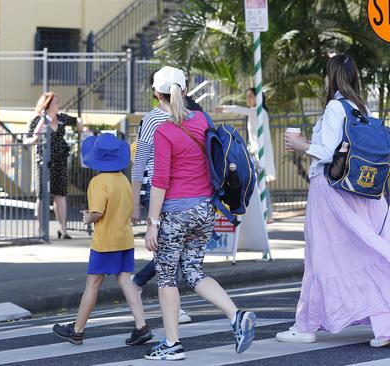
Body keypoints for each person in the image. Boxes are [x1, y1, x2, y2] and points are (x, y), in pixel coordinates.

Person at [280, 54, 390, 347]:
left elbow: (329, 152)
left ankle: (305, 325)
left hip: (329, 192)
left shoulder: (334, 107)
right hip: (359, 192)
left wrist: (302, 144)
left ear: (332, 77)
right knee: (367, 255)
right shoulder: (358, 107)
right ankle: (387, 321)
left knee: (320, 258)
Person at [143, 66, 256, 361]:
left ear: (157, 94)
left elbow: (160, 181)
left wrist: (152, 224)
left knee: (167, 278)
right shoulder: (203, 120)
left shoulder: (163, 131)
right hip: (205, 210)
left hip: (175, 213)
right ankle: (235, 315)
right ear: (185, 90)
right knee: (193, 271)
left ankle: (171, 344)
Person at [52, 133, 152, 346]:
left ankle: (77, 331)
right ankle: (142, 326)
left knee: (92, 285)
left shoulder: (98, 182)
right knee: (126, 280)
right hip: (125, 239)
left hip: (106, 242)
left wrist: (87, 217)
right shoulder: (123, 180)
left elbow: (97, 212)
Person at [131, 72, 203, 324]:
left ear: (155, 92)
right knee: (172, 251)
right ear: (184, 90)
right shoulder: (157, 120)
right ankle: (142, 287)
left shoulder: (187, 117)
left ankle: (141, 285)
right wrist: (137, 203)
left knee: (173, 250)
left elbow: (139, 163)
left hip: (175, 192)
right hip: (160, 191)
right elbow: (142, 163)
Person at [24, 92, 81, 239]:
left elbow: (77, 121)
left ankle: (63, 229)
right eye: (56, 103)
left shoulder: (61, 118)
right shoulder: (38, 120)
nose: (58, 105)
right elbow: (27, 139)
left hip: (60, 161)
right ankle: (41, 228)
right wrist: (34, 139)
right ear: (48, 105)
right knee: (42, 196)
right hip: (43, 161)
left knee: (60, 195)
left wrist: (81, 126)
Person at [215, 88, 276, 222]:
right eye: (247, 96)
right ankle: (266, 212)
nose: (248, 99)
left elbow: (241, 110)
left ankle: (268, 213)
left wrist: (224, 108)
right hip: (255, 152)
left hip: (258, 154)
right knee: (257, 182)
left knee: (258, 182)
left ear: (258, 98)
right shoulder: (255, 113)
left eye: (251, 96)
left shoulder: (258, 112)